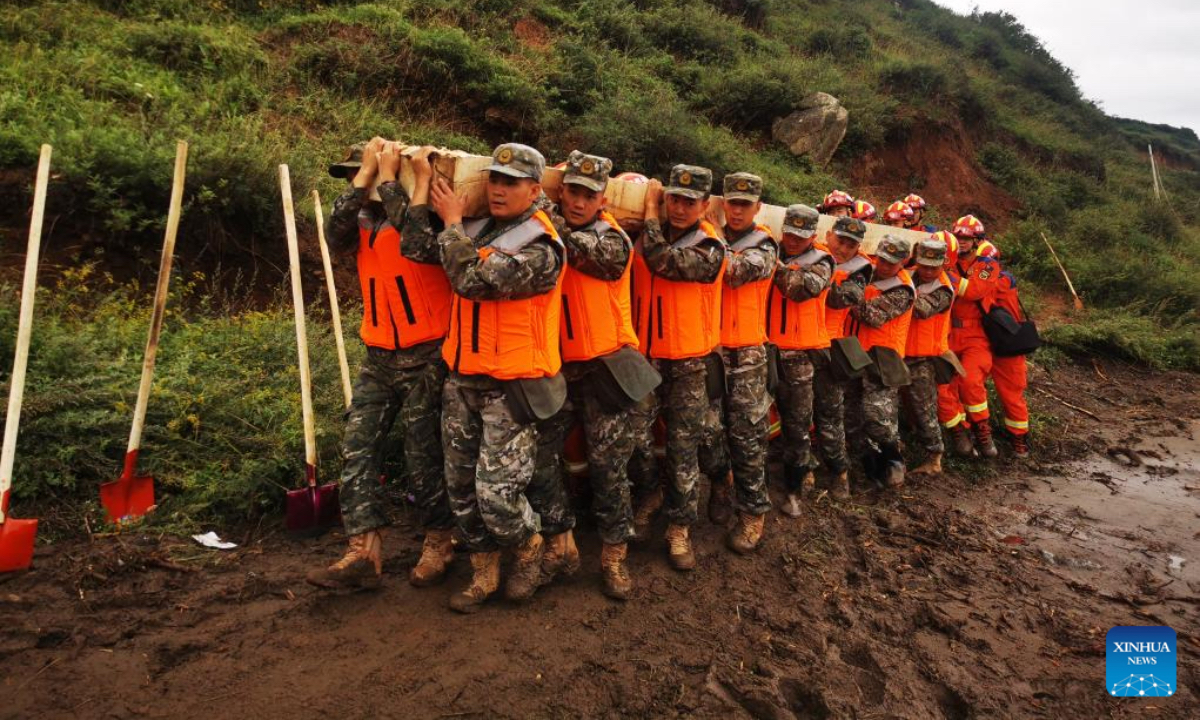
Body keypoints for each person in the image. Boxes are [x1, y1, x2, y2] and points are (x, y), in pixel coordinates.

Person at [417, 142, 566, 612]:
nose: (499, 190)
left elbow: (474, 283)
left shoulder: (542, 245)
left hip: (512, 385)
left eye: (512, 182)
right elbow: (419, 249)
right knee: (460, 485)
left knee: (497, 493)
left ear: (534, 190)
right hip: (463, 378)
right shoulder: (478, 227)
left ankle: (531, 549)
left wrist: (453, 225)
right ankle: (484, 571)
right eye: (495, 180)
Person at [306, 139, 454, 591]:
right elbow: (333, 235)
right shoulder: (361, 221)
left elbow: (416, 247)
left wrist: (392, 179)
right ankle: (362, 549)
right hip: (378, 354)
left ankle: (439, 539)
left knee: (422, 453)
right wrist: (366, 177)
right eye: (356, 175)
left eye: (362, 172)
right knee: (357, 445)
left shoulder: (421, 211)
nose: (359, 182)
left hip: (428, 353)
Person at [531, 151, 655, 599]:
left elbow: (584, 256)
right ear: (561, 191)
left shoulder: (612, 239)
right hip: (556, 365)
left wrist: (542, 209)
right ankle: (561, 542)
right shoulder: (540, 231)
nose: (578, 202)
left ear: (603, 199)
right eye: (572, 193)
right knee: (542, 458)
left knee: (609, 468)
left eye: (588, 195)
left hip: (605, 366)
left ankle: (614, 556)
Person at [630, 164, 726, 571]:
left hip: (689, 361)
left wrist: (650, 213)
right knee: (635, 439)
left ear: (704, 206)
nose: (680, 207)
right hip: (646, 355)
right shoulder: (642, 235)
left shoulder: (710, 246)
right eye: (673, 198)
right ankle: (651, 494)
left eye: (690, 201)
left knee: (684, 448)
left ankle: (679, 527)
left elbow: (663, 262)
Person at [715, 172, 776, 553]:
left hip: (748, 355)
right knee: (708, 432)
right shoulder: (710, 236)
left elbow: (734, 272)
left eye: (744, 204)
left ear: (757, 208)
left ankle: (754, 514)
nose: (736, 210)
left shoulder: (764, 245)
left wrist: (701, 238)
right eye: (731, 202)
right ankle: (721, 484)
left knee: (748, 437)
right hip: (710, 350)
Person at [766, 204, 836, 515]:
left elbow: (800, 289)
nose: (794, 240)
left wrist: (771, 263)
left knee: (796, 426)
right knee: (753, 423)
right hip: (763, 349)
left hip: (799, 355)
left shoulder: (822, 261)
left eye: (801, 235)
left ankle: (793, 490)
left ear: (814, 236)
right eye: (790, 234)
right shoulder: (770, 248)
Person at [846, 235, 916, 489]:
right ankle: (871, 469)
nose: (885, 265)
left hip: (884, 359)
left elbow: (871, 316)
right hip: (855, 352)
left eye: (892, 262)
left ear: (904, 262)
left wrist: (845, 291)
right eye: (883, 259)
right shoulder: (868, 273)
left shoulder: (903, 289)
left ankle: (894, 462)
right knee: (851, 414)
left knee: (878, 417)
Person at [815, 216, 873, 500]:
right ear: (828, 236)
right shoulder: (810, 252)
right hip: (796, 345)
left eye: (851, 245)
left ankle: (840, 473)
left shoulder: (859, 271)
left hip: (829, 349)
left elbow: (841, 299)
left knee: (830, 414)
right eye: (840, 241)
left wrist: (814, 279)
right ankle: (804, 471)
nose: (843, 249)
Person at [937, 215, 1000, 459]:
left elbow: (973, 291)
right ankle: (958, 432)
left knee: (971, 381)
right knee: (942, 388)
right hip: (947, 333)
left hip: (975, 335)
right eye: (958, 237)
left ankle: (982, 431)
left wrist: (944, 274)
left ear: (977, 241)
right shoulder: (948, 261)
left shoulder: (987, 265)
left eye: (967, 238)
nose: (962, 242)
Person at [899, 234, 955, 476]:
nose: (929, 271)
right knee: (898, 407)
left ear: (943, 264)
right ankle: (899, 451)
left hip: (924, 357)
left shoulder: (944, 289)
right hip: (900, 352)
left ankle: (935, 456)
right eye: (924, 265)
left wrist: (894, 295)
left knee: (924, 408)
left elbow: (921, 309)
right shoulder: (908, 276)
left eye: (934, 267)